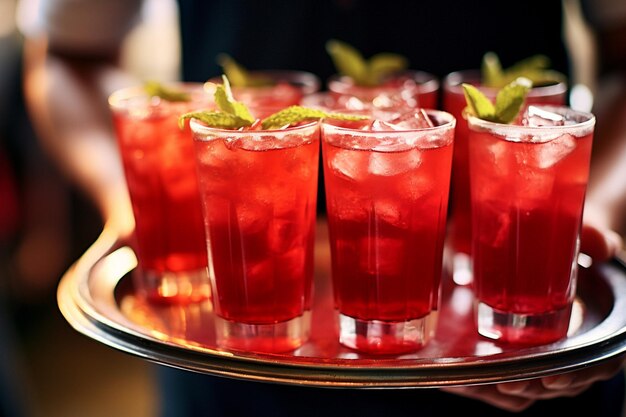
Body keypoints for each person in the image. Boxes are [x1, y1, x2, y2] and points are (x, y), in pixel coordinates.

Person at [22, 0, 626, 415]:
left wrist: (592, 208)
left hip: (522, 387)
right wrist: (132, 205)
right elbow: (68, 55)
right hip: (230, 375)